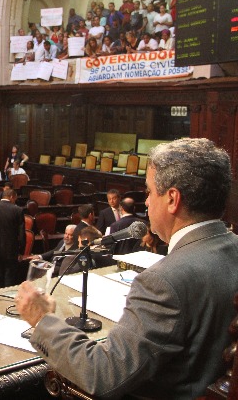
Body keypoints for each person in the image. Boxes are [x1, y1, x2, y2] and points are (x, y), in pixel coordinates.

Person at [17, 138, 238, 399]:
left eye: (148, 192)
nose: (146, 203)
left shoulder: (164, 281)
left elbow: (103, 375)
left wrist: (43, 321)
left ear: (172, 199)